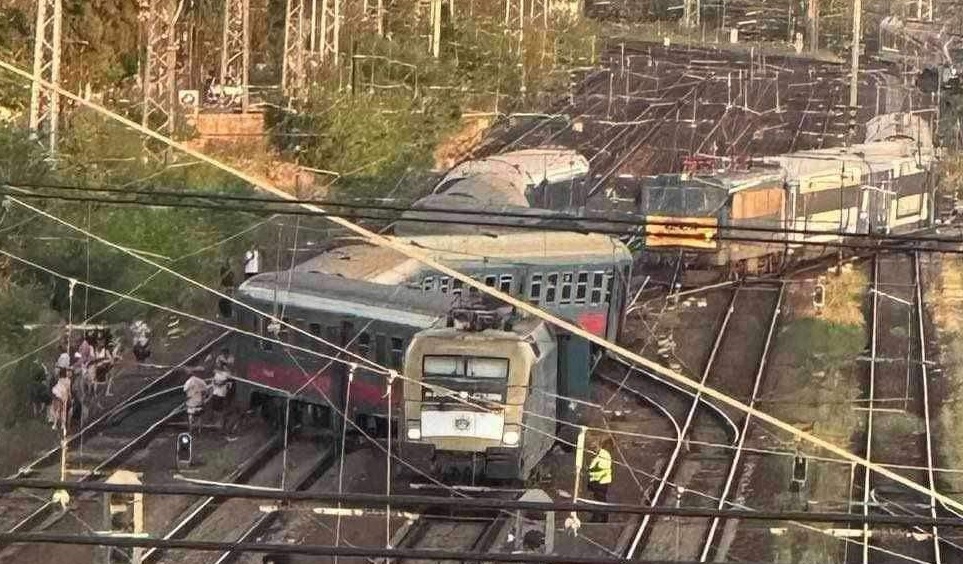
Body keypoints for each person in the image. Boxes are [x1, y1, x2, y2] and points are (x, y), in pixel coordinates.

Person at [587, 437, 613, 523]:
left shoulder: (604, 454)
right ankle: (596, 517)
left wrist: (591, 468)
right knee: (596, 500)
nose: (593, 450)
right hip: (595, 481)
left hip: (602, 481)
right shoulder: (595, 455)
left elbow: (601, 466)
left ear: (599, 446)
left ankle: (604, 518)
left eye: (594, 447)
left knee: (601, 501)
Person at [211, 348, 234, 429]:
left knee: (222, 403)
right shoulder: (217, 368)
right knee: (215, 403)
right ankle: (216, 419)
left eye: (225, 353)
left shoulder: (230, 360)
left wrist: (222, 383)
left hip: (223, 389)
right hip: (216, 389)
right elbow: (214, 376)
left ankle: (222, 420)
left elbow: (229, 377)